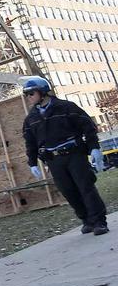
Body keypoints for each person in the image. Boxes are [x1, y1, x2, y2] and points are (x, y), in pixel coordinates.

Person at [21, 76, 109, 235]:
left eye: (31, 93)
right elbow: (30, 143)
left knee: (86, 188)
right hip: (53, 160)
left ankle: (99, 222)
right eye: (26, 95)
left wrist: (94, 148)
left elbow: (88, 127)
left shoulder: (67, 107)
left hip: (75, 155)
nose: (28, 97)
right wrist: (32, 163)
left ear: (43, 92)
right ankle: (86, 220)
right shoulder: (31, 119)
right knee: (68, 191)